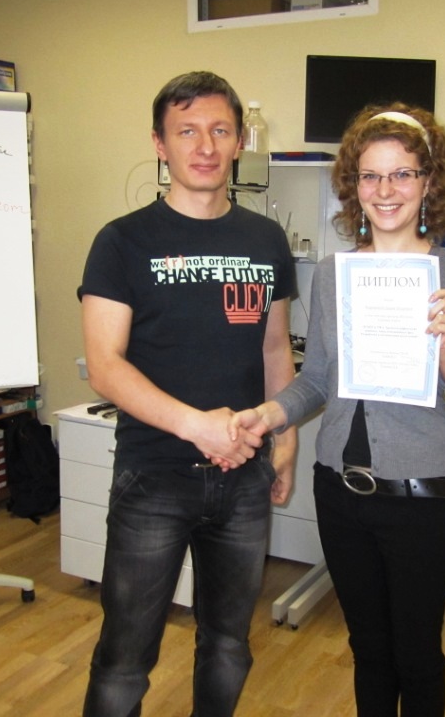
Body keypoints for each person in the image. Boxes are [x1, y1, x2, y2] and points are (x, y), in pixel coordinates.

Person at [229, 104, 445, 715]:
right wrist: (270, 416)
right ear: (354, 186)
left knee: (417, 656)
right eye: (371, 176)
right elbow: (318, 380)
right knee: (369, 650)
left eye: (402, 174)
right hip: (340, 492)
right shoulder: (334, 275)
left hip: (420, 496)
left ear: (429, 182)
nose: (386, 190)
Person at [77, 71, 298, 717]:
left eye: (220, 130)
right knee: (124, 660)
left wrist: (284, 443)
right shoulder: (121, 241)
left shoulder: (265, 240)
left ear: (240, 141)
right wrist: (197, 426)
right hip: (154, 478)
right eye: (187, 131)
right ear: (160, 143)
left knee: (228, 645)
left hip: (244, 477)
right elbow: (104, 366)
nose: (205, 146)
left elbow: (274, 349)